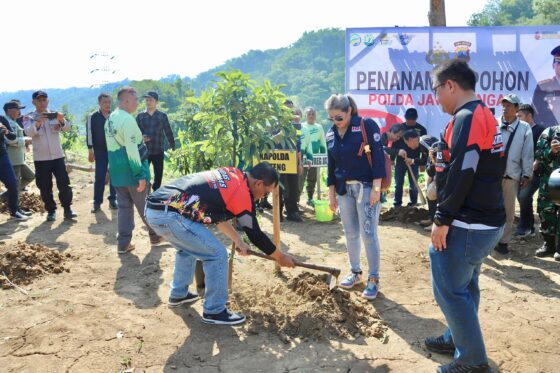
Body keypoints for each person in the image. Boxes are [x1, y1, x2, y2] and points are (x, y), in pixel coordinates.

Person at [425, 59, 506, 373]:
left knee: (449, 288)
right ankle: (455, 337)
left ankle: (472, 360)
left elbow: (464, 170)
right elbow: (461, 162)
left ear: (450, 85)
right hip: (483, 221)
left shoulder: (469, 116)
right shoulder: (480, 113)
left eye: (437, 91)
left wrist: (442, 218)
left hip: (468, 222)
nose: (436, 98)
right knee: (465, 284)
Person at [144, 163, 296, 325]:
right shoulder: (242, 194)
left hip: (155, 210)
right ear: (258, 183)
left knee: (187, 248)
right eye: (265, 192)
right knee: (217, 254)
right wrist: (280, 257)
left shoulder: (233, 175)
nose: (262, 197)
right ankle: (214, 311)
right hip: (170, 215)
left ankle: (179, 294)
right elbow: (256, 235)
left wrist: (238, 240)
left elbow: (217, 217)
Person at [325, 93, 386, 300]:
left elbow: (378, 156)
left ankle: (374, 278)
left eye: (339, 117)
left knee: (368, 234)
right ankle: (355, 271)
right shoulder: (331, 134)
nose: (335, 122)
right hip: (344, 190)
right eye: (331, 118)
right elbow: (331, 166)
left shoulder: (366, 125)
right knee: (350, 233)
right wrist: (331, 194)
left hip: (366, 187)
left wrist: (377, 188)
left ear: (349, 110)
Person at [105, 87, 161, 252]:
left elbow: (115, 145)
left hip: (117, 172)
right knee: (145, 206)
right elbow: (131, 149)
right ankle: (155, 235)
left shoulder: (110, 119)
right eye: (135, 99)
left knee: (124, 208)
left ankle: (123, 243)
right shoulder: (127, 120)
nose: (138, 103)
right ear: (127, 100)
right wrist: (140, 175)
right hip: (132, 173)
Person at [23, 90, 77, 222]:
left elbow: (68, 128)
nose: (42, 102)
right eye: (39, 100)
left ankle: (67, 209)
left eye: (44, 100)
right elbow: (28, 132)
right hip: (41, 159)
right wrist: (38, 122)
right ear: (33, 102)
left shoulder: (54, 114)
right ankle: (51, 211)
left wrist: (61, 119)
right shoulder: (29, 117)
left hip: (58, 156)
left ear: (47, 101)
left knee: (64, 184)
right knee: (45, 186)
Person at [494, 94, 533, 255]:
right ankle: (489, 240)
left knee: (508, 211)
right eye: (504, 104)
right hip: (491, 175)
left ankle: (503, 242)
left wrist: (526, 174)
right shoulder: (493, 123)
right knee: (489, 208)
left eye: (510, 105)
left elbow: (527, 153)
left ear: (517, 109)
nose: (505, 107)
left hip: (511, 175)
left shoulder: (524, 127)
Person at [515, 104, 545, 238]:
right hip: (518, 172)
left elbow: (541, 154)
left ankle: (524, 226)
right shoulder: (518, 130)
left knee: (524, 196)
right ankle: (530, 226)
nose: (518, 119)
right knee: (522, 198)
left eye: (520, 116)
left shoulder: (540, 131)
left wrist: (531, 171)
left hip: (534, 174)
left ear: (529, 116)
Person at [136, 91, 175, 191]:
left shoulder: (162, 116)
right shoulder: (140, 116)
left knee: (158, 175)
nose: (148, 102)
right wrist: (141, 137)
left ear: (156, 102)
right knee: (144, 174)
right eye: (147, 100)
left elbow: (168, 131)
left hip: (158, 149)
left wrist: (172, 145)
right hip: (144, 151)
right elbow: (135, 133)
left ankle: (156, 194)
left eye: (151, 100)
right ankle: (145, 194)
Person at [86, 93, 117, 212]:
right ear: (99, 103)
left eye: (109, 102)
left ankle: (113, 199)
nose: (107, 104)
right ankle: (97, 202)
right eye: (105, 102)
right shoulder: (93, 116)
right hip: (99, 151)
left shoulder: (114, 115)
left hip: (114, 150)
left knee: (114, 175)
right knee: (99, 176)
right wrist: (90, 150)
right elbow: (89, 134)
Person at [391, 108, 427, 207]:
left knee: (413, 184)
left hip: (414, 160)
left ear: (416, 118)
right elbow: (394, 145)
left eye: (412, 119)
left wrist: (422, 163)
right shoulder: (400, 128)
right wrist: (391, 159)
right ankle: (397, 204)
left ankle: (413, 203)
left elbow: (424, 147)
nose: (410, 121)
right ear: (405, 118)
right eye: (408, 119)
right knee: (398, 184)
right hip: (400, 160)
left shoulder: (421, 129)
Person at [534, 124, 560, 260]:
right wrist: (551, 151)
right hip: (549, 182)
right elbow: (538, 156)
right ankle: (548, 245)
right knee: (545, 212)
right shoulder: (549, 132)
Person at [2, 100, 35, 205]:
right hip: (13, 159)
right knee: (15, 184)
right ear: (9, 110)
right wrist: (24, 140)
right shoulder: (7, 123)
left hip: (19, 159)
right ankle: (15, 208)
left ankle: (6, 196)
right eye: (17, 109)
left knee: (30, 176)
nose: (19, 111)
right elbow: (10, 140)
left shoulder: (13, 121)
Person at [0, 116, 29, 220]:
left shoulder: (1, 119)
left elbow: (12, 136)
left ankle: (14, 211)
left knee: (13, 183)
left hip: (2, 156)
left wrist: (6, 131)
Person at [298, 107, 327, 206]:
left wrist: (324, 156)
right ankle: (296, 200)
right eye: (309, 114)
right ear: (305, 116)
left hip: (315, 158)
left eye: (313, 114)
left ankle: (310, 198)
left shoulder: (319, 127)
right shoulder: (301, 126)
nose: (311, 115)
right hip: (302, 158)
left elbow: (323, 141)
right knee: (300, 179)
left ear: (316, 116)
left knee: (312, 179)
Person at [532, 45, 560, 127]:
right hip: (549, 135)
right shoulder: (543, 87)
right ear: (553, 65)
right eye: (559, 62)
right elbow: (534, 115)